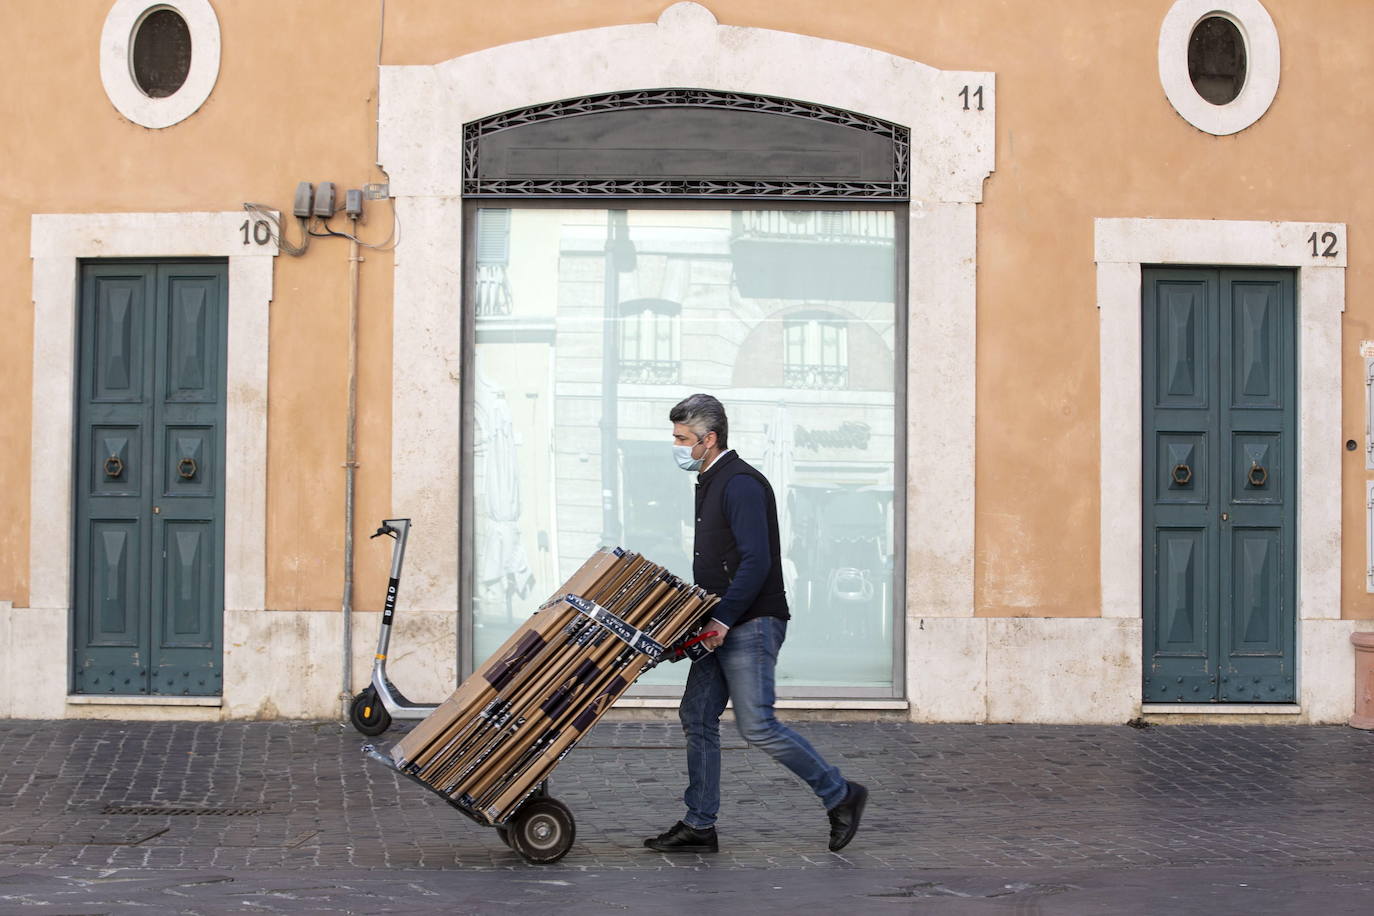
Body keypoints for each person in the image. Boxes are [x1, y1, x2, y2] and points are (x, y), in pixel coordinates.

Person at [644, 393, 868, 854]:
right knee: (697, 715)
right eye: (675, 437)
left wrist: (724, 618)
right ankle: (700, 824)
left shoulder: (741, 483)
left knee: (758, 725)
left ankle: (841, 794)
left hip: (750, 623)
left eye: (683, 438)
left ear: (709, 439)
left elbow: (757, 560)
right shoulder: (710, 480)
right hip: (719, 622)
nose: (677, 445)